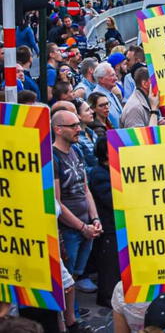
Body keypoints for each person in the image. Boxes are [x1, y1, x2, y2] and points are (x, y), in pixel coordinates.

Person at [52, 111, 103, 330]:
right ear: (58, 129)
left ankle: (70, 314)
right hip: (70, 230)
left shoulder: (76, 151)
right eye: (73, 125)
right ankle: (67, 320)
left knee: (74, 275)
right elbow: (57, 203)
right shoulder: (53, 158)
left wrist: (94, 218)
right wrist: (81, 227)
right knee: (66, 279)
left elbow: (85, 189)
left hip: (86, 224)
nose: (79, 129)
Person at [89, 137, 123, 308]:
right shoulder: (98, 173)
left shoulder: (110, 171)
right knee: (109, 265)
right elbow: (112, 200)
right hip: (107, 227)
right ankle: (107, 297)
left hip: (114, 225)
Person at [89, 62, 123, 128]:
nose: (116, 78)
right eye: (112, 75)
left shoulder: (111, 92)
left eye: (115, 75)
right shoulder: (96, 96)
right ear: (101, 79)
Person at [71, 98, 99, 172]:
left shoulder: (92, 133)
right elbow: (83, 169)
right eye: (87, 110)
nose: (92, 112)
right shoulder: (76, 139)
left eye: (90, 109)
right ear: (78, 115)